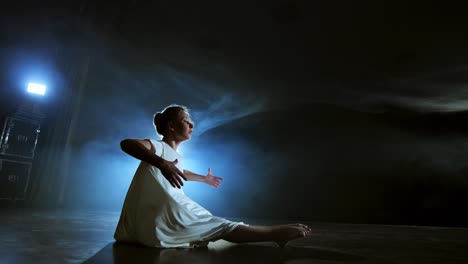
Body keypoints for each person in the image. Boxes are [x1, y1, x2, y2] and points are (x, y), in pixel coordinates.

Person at [114, 104, 311, 248]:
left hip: (170, 206)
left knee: (210, 222)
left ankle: (271, 232)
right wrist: (161, 163)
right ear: (171, 126)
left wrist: (203, 178)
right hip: (162, 211)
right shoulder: (156, 146)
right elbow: (127, 143)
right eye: (186, 121)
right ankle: (274, 233)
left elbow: (180, 172)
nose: (191, 125)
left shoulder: (175, 156)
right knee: (215, 225)